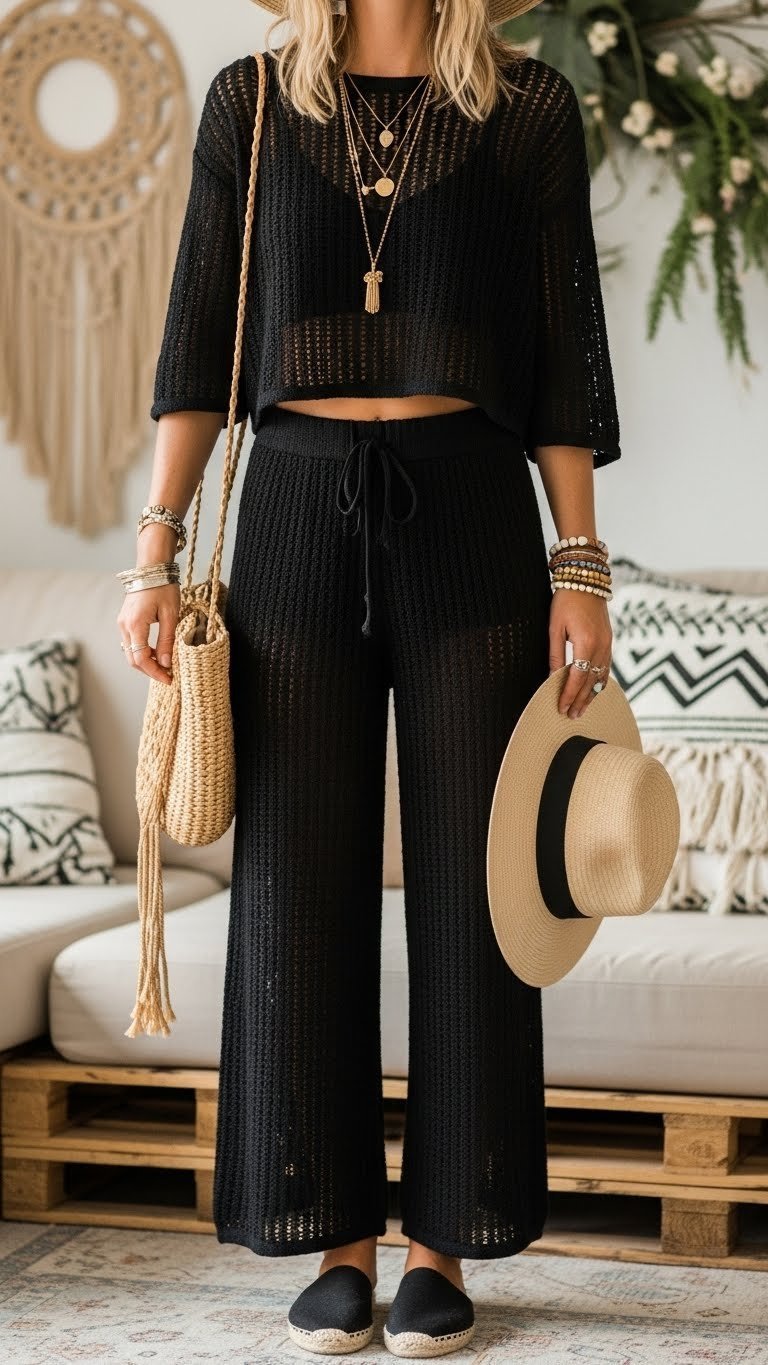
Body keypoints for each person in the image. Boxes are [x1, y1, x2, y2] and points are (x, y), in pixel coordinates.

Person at [116, 0, 621, 1355]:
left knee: (474, 881)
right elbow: (198, 342)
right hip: (287, 508)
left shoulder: (526, 109)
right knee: (296, 877)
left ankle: (442, 1240)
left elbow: (564, 352)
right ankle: (328, 1227)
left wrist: (582, 564)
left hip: (469, 513)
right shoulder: (253, 103)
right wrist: (153, 550)